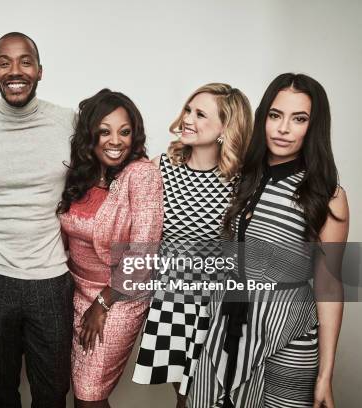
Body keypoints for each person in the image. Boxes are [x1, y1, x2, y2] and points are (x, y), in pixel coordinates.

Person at [188, 73, 349, 408]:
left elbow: (330, 286)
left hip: (287, 333)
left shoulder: (328, 196)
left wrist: (325, 375)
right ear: (263, 118)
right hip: (224, 322)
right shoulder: (240, 176)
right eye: (275, 116)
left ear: (314, 126)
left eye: (299, 119)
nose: (283, 128)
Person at [0, 32, 75, 407]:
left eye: (25, 61)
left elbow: (111, 169)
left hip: (51, 278)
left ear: (40, 71)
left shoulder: (69, 122)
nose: (15, 70)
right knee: (1, 392)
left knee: (52, 392)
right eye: (4, 62)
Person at [133, 83, 252, 408]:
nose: (188, 118)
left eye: (200, 114)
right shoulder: (161, 167)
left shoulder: (243, 181)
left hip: (215, 308)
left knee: (209, 398)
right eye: (188, 109)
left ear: (225, 128)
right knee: (184, 397)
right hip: (171, 302)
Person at [57, 89, 163, 407]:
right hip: (76, 294)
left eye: (125, 131)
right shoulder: (85, 174)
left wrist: (102, 303)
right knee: (82, 394)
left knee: (89, 396)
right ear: (90, 135)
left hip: (118, 297)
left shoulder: (140, 175)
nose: (116, 140)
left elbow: (144, 251)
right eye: (105, 131)